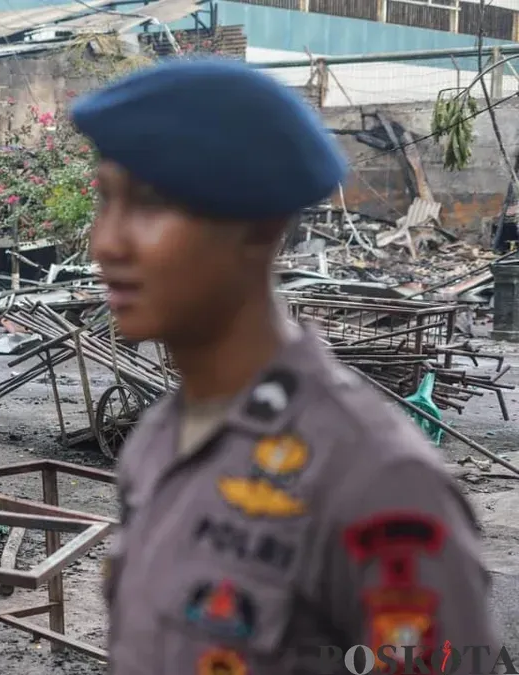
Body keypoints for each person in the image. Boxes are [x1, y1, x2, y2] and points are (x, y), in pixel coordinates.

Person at [72, 59, 497, 675]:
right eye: (105, 200)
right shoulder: (161, 437)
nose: (106, 242)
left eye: (152, 204)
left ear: (261, 226)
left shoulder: (376, 481)